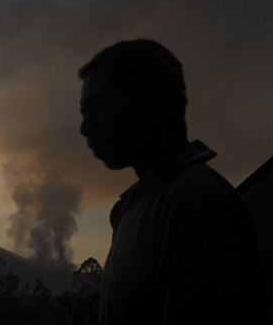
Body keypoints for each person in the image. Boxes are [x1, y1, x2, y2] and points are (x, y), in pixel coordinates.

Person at [78, 39, 270, 324]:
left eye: (97, 106)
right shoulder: (143, 204)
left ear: (153, 99)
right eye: (84, 113)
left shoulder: (194, 201)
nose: (85, 127)